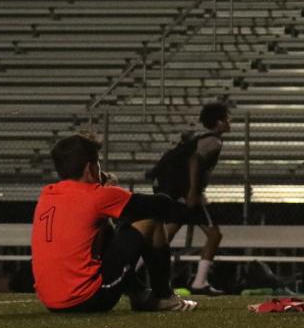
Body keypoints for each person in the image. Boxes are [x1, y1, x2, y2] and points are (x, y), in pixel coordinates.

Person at [31, 133, 194, 313]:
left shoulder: (47, 195)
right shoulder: (98, 195)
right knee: (150, 219)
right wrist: (111, 192)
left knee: (107, 230)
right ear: (90, 168)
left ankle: (140, 294)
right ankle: (163, 296)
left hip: (51, 302)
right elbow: (163, 204)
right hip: (90, 299)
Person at [154, 101, 232, 294]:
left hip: (177, 192)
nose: (230, 123)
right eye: (227, 119)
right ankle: (199, 282)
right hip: (189, 194)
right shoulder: (213, 141)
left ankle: (132, 272)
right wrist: (193, 192)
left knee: (166, 235)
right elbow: (195, 161)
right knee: (214, 235)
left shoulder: (201, 138)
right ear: (219, 122)